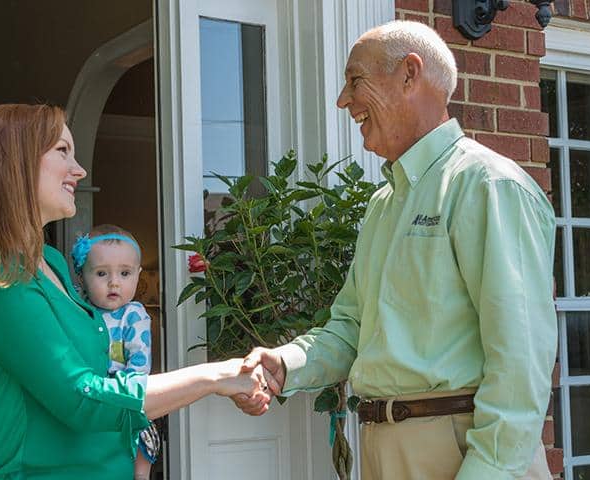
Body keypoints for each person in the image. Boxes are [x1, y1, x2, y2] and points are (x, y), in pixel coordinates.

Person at [234, 20, 556, 480]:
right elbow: (350, 328)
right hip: (383, 447)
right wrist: (285, 364)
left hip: (463, 450)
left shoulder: (488, 185)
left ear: (410, 74)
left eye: (355, 80)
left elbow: (520, 361)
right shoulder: (386, 203)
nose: (343, 100)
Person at [0, 104, 271, 480]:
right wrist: (214, 377)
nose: (79, 170)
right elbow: (82, 399)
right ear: (12, 162)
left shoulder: (50, 262)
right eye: (61, 151)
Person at [71, 223, 159, 480]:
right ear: (81, 276)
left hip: (125, 402)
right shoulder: (79, 310)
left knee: (140, 448)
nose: (114, 283)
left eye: (124, 273)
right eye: (101, 274)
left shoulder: (133, 316)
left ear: (138, 274)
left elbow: (139, 364)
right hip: (92, 404)